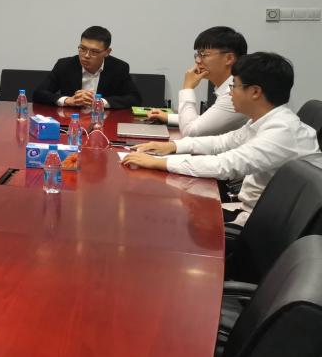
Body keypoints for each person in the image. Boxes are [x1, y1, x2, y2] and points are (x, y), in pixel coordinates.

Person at [123, 52, 320, 225]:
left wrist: (160, 162)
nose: (230, 92)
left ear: (255, 92)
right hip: (253, 209)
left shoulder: (282, 131)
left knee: (166, 215)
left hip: (263, 224)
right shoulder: (266, 121)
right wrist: (172, 146)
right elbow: (222, 142)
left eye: (234, 86)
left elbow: (225, 165)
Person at [145, 25, 248, 137]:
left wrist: (187, 88)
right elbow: (208, 121)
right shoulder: (230, 86)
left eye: (204, 55)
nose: (198, 61)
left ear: (229, 58)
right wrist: (169, 117)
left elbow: (191, 132)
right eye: (197, 54)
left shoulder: (235, 93)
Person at [33, 25, 141, 109]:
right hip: (71, 120)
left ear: (107, 52)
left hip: (103, 121)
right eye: (82, 49)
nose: (86, 55)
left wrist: (100, 102)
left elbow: (134, 98)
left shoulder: (119, 68)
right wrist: (68, 100)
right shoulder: (64, 65)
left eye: (94, 52)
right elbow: (39, 94)